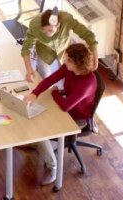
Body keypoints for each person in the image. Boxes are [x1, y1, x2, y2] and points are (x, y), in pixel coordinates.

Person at [24, 43, 97, 185]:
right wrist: (34, 93)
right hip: (66, 105)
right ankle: (38, 144)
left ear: (77, 63)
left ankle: (52, 167)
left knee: (40, 128)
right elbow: (50, 80)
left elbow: (65, 106)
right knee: (33, 115)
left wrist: (55, 92)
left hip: (77, 117)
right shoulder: (69, 68)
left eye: (68, 59)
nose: (64, 61)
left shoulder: (87, 83)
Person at [21, 8, 98, 85]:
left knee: (67, 75)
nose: (47, 34)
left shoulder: (67, 19)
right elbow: (26, 48)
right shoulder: (34, 25)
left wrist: (96, 59)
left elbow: (89, 36)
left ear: (58, 25)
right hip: (44, 52)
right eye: (43, 30)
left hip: (64, 50)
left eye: (50, 30)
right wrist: (29, 69)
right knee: (44, 78)